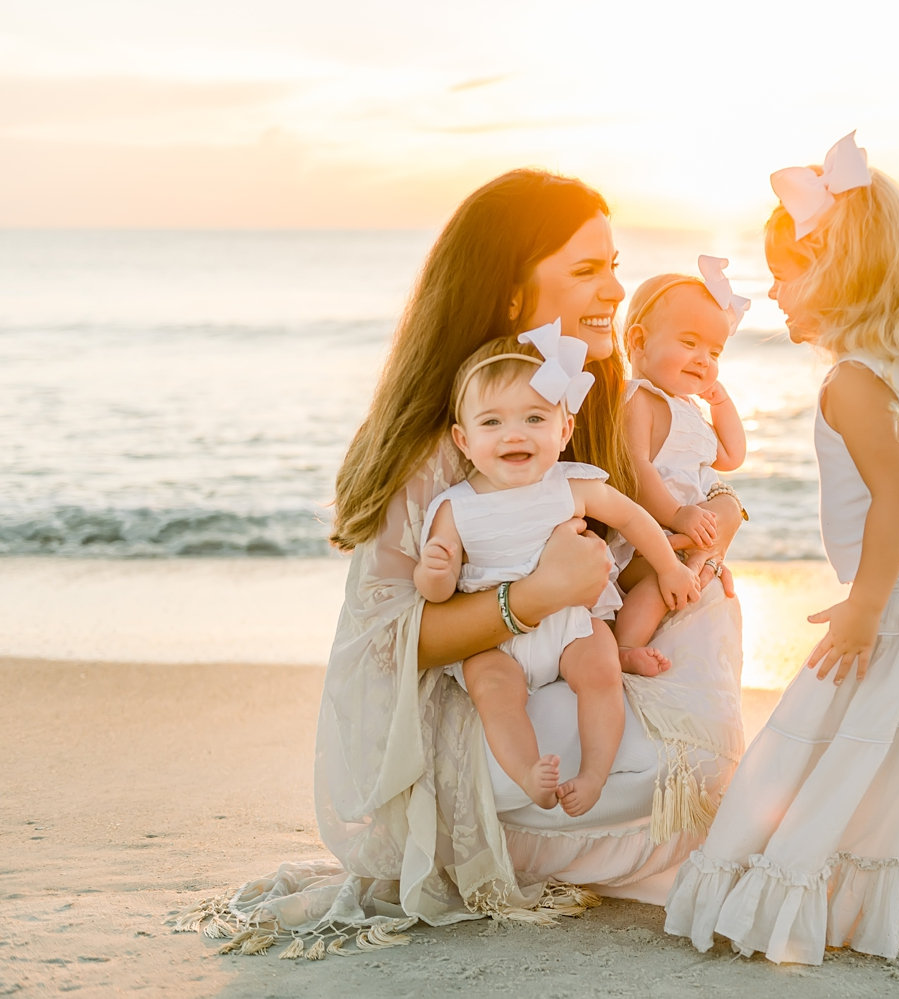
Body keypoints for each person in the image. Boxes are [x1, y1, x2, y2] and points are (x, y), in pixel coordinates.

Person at [184, 169, 747, 957]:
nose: (614, 289)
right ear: (513, 294)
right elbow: (387, 639)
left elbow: (656, 511)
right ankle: (569, 830)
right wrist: (533, 595)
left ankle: (608, 827)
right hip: (475, 713)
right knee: (675, 768)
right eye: (587, 269)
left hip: (562, 664)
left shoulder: (581, 402)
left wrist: (721, 511)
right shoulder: (462, 433)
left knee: (705, 612)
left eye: (615, 266)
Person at [663, 133, 899, 965]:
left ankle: (815, 888)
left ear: (835, 273)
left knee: (835, 735)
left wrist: (869, 602)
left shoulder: (852, 381)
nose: (772, 292)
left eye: (785, 272)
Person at [415, 330, 702, 817]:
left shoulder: (571, 484)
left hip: (571, 621)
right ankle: (529, 771)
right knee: (493, 693)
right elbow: (435, 594)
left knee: (601, 673)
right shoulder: (455, 508)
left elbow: (633, 517)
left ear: (563, 430)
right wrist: (436, 571)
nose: (515, 433)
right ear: (464, 440)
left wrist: (670, 565)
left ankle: (593, 773)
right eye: (492, 422)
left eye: (534, 418)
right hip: (494, 641)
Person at [613, 255, 749, 658]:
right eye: (689, 344)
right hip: (646, 543)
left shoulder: (687, 407)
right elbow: (634, 468)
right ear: (639, 341)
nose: (704, 360)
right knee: (658, 577)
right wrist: (676, 515)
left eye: (715, 352)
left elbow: (729, 456)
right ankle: (625, 646)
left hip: (687, 540)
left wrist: (721, 403)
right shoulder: (639, 398)